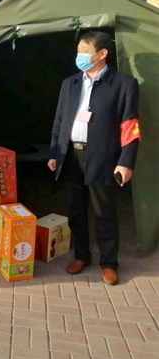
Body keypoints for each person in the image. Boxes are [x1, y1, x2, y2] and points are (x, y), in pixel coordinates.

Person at [48, 31, 140, 286]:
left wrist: (126, 161)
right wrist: (55, 153)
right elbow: (59, 121)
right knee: (76, 210)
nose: (79, 56)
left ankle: (109, 263)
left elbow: (130, 126)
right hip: (71, 155)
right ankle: (81, 255)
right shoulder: (70, 83)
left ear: (102, 53)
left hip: (102, 157)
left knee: (104, 212)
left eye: (85, 51)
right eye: (78, 51)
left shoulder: (123, 83)